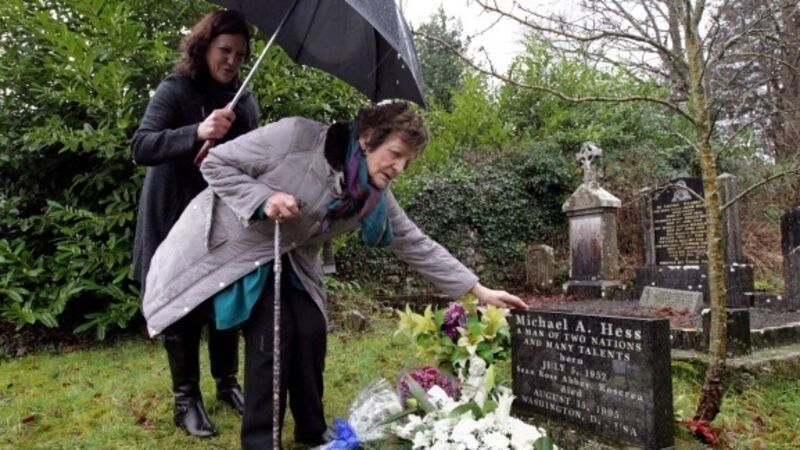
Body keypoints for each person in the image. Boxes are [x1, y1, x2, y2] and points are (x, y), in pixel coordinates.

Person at [140, 102, 527, 448]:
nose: (399, 168)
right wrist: (264, 199)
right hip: (241, 245)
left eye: (407, 162)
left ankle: (311, 430)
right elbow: (215, 163)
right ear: (367, 139)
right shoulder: (295, 137)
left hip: (294, 258)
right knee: (274, 335)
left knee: (310, 331)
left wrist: (478, 290)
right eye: (395, 154)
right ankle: (260, 441)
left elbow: (415, 243)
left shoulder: (373, 194)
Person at [131, 10, 259, 438]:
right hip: (172, 214)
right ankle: (185, 400)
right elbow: (142, 145)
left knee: (226, 300)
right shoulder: (176, 89)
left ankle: (227, 383)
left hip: (222, 216)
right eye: (225, 51)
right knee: (182, 303)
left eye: (240, 54)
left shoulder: (244, 101)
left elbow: (252, 159)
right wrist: (196, 132)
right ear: (204, 48)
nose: (232, 61)